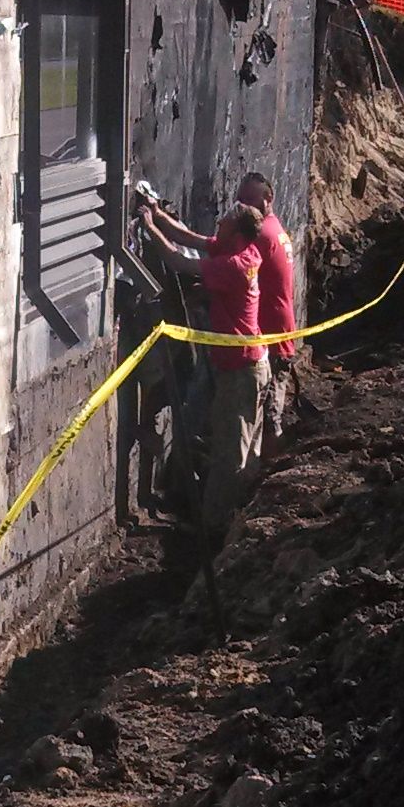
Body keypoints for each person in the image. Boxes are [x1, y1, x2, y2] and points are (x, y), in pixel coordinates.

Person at [135, 188, 265, 551]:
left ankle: (216, 533)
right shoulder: (238, 249)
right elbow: (190, 238)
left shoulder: (236, 265)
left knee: (229, 452)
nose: (217, 227)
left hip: (242, 371)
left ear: (236, 234)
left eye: (224, 224)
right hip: (237, 367)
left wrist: (147, 225)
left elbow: (179, 262)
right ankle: (222, 519)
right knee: (229, 444)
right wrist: (159, 216)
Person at [236, 170, 298, 448]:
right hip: (278, 333)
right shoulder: (276, 228)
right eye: (240, 199)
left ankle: (267, 479)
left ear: (268, 198)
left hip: (272, 338)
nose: (243, 206)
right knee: (265, 413)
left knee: (267, 416)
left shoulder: (263, 234)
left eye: (250, 199)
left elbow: (232, 264)